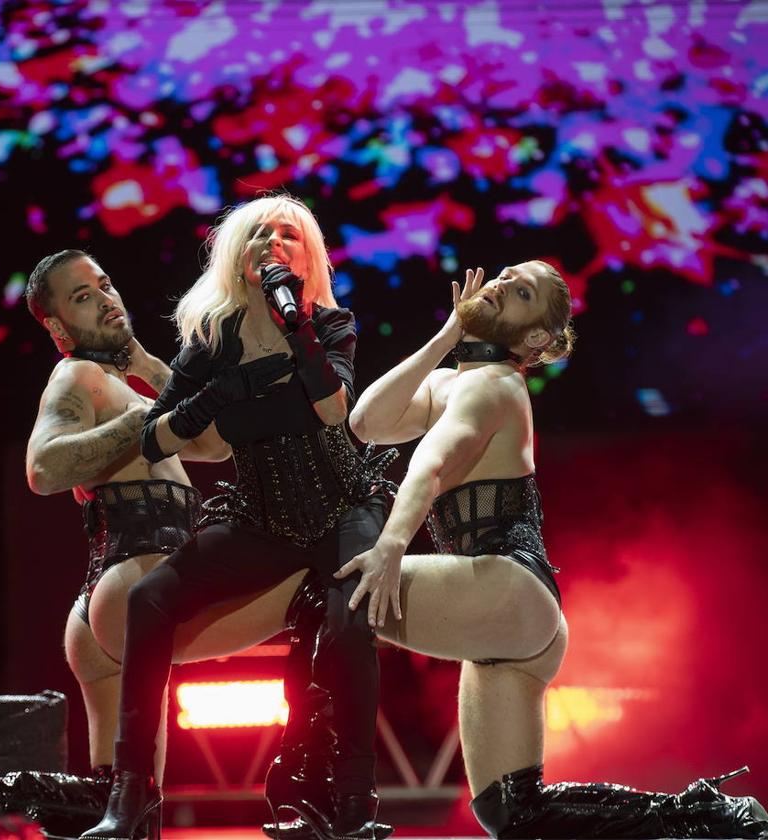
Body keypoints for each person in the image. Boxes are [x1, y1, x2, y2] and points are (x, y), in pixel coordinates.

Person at [325, 261, 768, 838]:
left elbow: (428, 468)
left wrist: (389, 547)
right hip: (517, 615)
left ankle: (338, 803)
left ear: (534, 337)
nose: (504, 282)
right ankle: (709, 820)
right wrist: (448, 335)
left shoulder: (495, 386)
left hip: (507, 587)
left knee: (333, 591)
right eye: (507, 274)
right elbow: (366, 422)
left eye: (522, 290)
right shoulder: (455, 381)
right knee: (512, 812)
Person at [0, 249, 314, 840]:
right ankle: (319, 795)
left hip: (112, 601)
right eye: (82, 297)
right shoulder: (79, 377)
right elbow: (43, 469)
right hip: (138, 581)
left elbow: (216, 444)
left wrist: (148, 366)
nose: (106, 299)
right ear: (56, 325)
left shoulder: (123, 383)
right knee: (322, 588)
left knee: (120, 800)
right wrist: (143, 421)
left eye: (105, 284)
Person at [82, 195, 394, 840]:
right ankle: (132, 792)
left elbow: (334, 411)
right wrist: (230, 391)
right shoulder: (214, 339)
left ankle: (357, 802)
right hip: (262, 518)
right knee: (149, 600)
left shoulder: (332, 323)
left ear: (309, 257)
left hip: (345, 508)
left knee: (349, 626)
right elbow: (156, 437)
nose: (274, 244)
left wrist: (270, 364)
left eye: (289, 236)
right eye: (260, 235)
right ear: (239, 255)